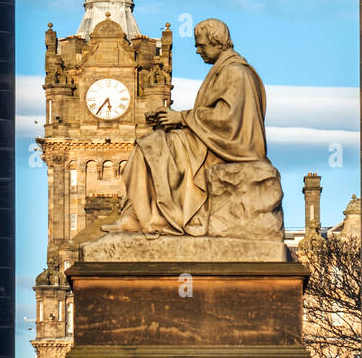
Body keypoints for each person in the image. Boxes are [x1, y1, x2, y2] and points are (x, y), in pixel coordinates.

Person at [106, 18, 271, 236]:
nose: (197, 51)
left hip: (230, 148)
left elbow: (228, 118)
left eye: (201, 45)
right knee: (151, 144)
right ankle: (136, 216)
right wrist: (173, 120)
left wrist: (181, 119)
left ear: (217, 42)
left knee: (153, 147)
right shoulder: (225, 69)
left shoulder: (235, 72)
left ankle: (151, 217)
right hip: (213, 141)